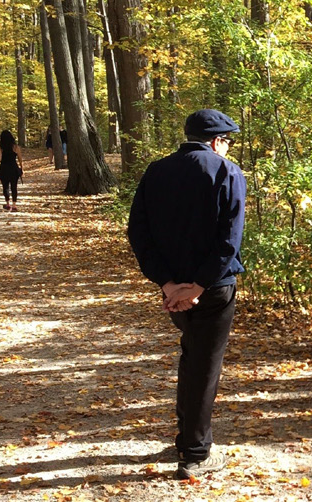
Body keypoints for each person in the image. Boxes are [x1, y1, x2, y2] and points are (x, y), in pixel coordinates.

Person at [127, 109, 246, 480]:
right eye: (227, 141)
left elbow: (139, 233)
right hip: (212, 289)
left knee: (192, 355)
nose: (227, 148)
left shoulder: (156, 171)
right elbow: (230, 238)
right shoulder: (227, 171)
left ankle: (188, 439)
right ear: (216, 141)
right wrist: (199, 284)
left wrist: (166, 283)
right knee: (204, 364)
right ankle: (196, 452)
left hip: (175, 291)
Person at [0, 130, 24, 212]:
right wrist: (22, 169)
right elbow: (20, 159)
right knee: (14, 187)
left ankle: (8, 203)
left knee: (5, 186)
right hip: (14, 168)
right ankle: (14, 205)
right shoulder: (16, 147)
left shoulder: (0, 147)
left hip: (4, 168)